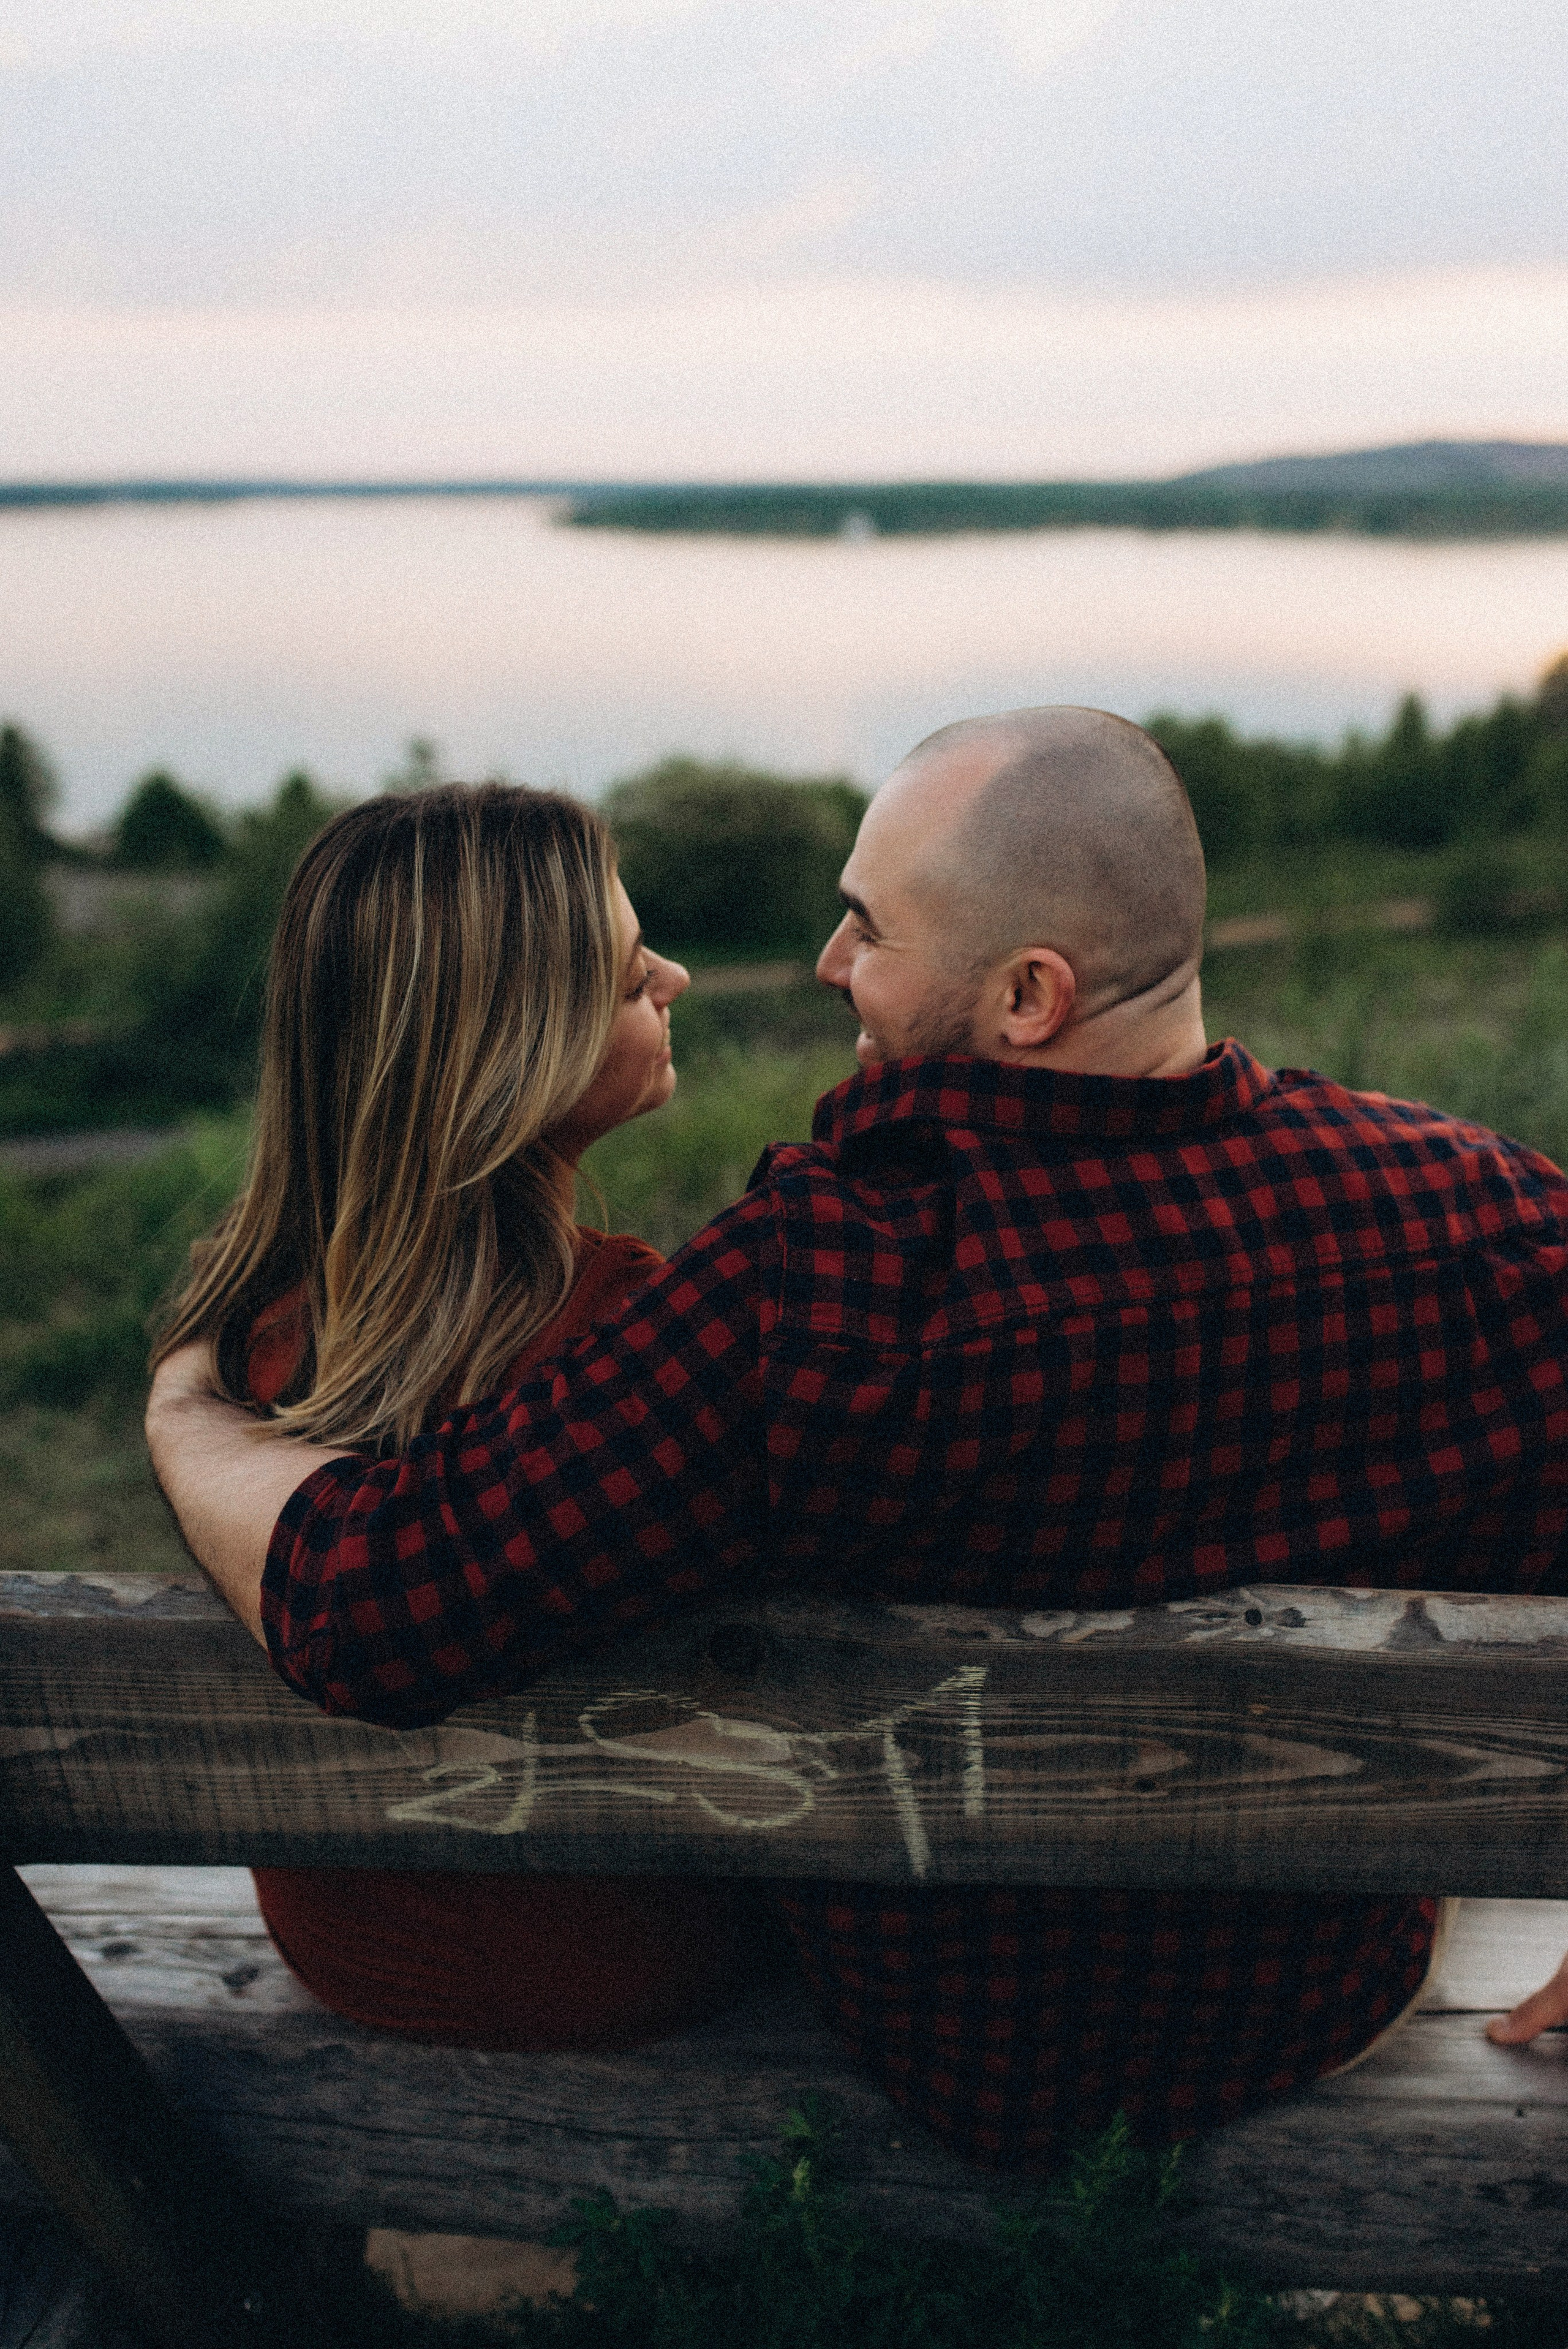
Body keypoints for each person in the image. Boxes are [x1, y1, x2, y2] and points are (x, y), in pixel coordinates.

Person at [149, 707, 1568, 2167]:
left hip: (966, 2054)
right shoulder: (1485, 1219)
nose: (829, 964)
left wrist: (186, 1407)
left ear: (1026, 994)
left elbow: (379, 1603)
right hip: (1318, 2000)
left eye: (865, 928)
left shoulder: (815, 1291)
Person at [151, 780, 760, 2050]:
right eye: (625, 968)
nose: (678, 977)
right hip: (630, 1967)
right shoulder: (635, 1333)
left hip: (351, 1957)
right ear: (510, 1046)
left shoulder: (258, 1344)